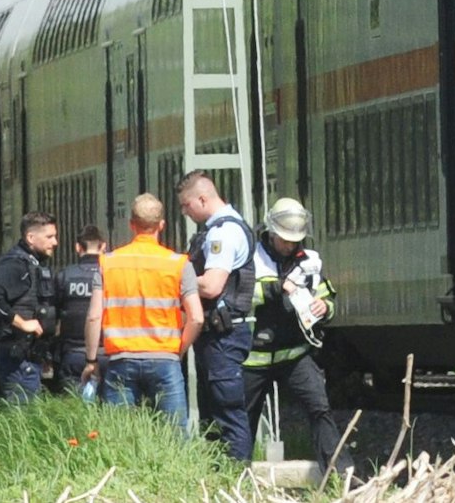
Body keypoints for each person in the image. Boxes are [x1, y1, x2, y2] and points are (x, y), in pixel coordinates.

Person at [244, 198, 348, 477]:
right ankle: (233, 476)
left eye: (295, 240)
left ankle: (340, 475)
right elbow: (240, 297)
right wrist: (277, 288)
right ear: (271, 232)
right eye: (285, 240)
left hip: (295, 355)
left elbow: (326, 296)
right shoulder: (250, 258)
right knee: (244, 420)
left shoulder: (311, 261)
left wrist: (325, 307)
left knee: (320, 409)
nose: (290, 245)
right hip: (253, 358)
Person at [81, 194, 202, 431]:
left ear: (131, 224)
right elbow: (196, 318)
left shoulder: (108, 263)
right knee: (174, 435)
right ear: (162, 225)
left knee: (120, 436)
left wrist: (92, 360)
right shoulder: (178, 264)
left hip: (121, 360)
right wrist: (178, 350)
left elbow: (94, 316)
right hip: (165, 360)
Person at [177, 169, 256, 461]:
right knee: (213, 416)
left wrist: (176, 279)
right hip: (218, 336)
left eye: (186, 205)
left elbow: (211, 286)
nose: (185, 212)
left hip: (224, 337)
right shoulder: (218, 230)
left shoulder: (223, 233)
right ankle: (218, 476)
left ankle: (236, 475)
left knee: (227, 413)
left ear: (202, 198)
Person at [0, 211, 60, 404]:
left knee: (28, 413)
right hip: (17, 355)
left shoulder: (33, 264)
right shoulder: (16, 264)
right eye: (49, 237)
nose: (55, 242)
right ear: (30, 238)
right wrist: (22, 323)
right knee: (24, 413)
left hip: (30, 355)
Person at [55, 224, 107, 400]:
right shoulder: (111, 275)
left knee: (73, 408)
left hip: (73, 355)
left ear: (78, 247)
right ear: (103, 246)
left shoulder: (64, 276)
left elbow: (54, 316)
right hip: (108, 355)